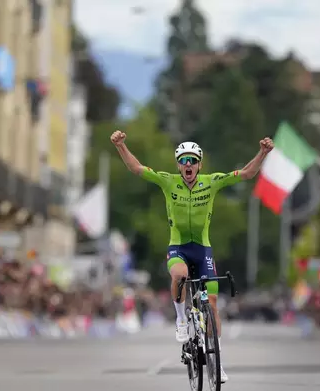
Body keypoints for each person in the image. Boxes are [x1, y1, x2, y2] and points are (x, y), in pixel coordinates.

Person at [110, 130, 274, 383]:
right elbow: (136, 168)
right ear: (178, 165)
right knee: (180, 274)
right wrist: (121, 146)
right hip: (178, 246)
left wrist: (263, 153)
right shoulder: (167, 181)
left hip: (203, 249)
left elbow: (247, 173)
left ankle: (216, 363)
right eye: (183, 161)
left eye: (193, 160)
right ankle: (180, 320)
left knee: (213, 304)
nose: (188, 165)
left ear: (200, 164)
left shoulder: (212, 181)